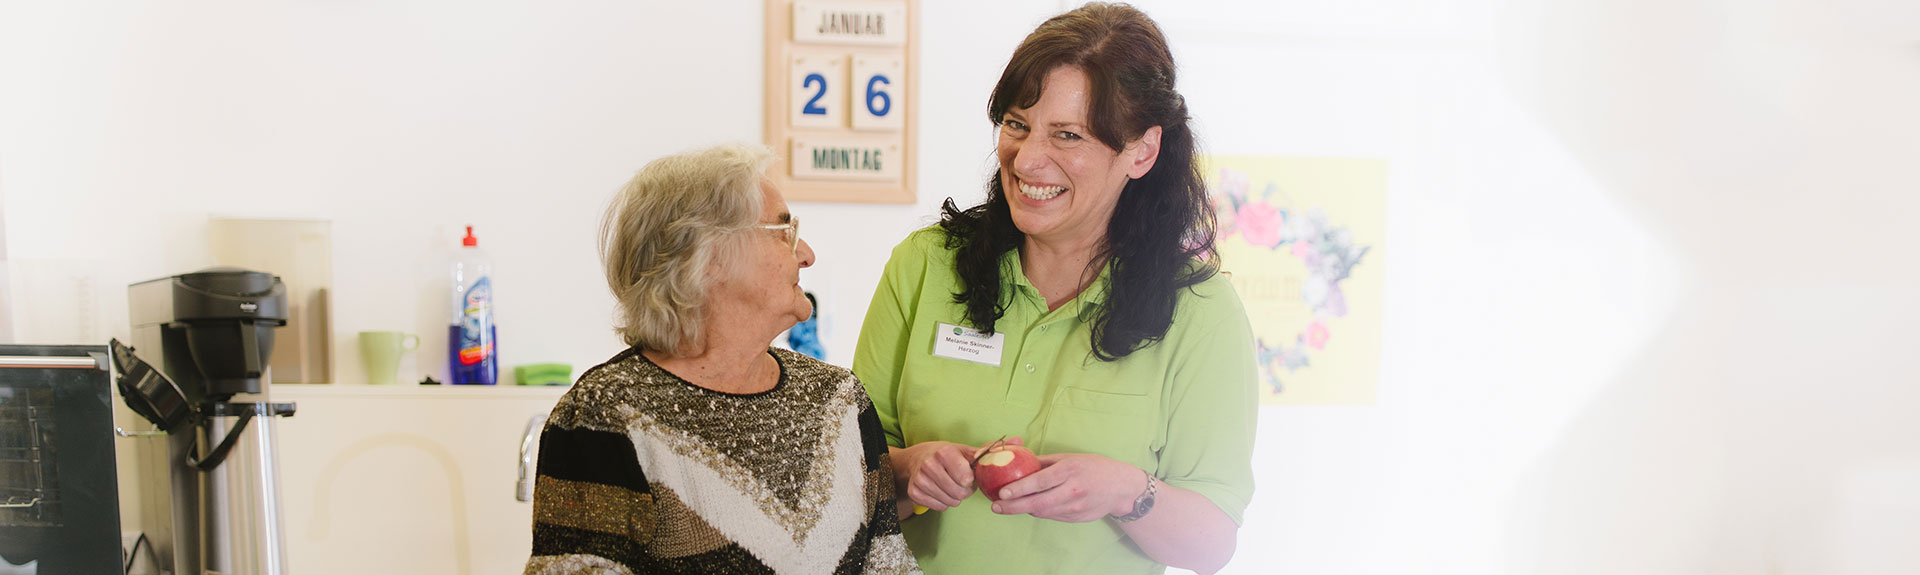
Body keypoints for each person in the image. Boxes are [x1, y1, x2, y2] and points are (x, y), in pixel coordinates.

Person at [850, 3, 1258, 574]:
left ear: (1141, 151)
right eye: (1017, 125)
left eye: (1067, 135)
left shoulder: (1201, 310)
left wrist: (1127, 492)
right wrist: (907, 468)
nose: (1027, 158)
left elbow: (1211, 545)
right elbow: (845, 476)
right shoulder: (925, 265)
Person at [526, 144, 920, 575]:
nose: (806, 253)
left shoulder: (839, 399)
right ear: (708, 255)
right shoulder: (605, 414)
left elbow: (889, 565)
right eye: (784, 230)